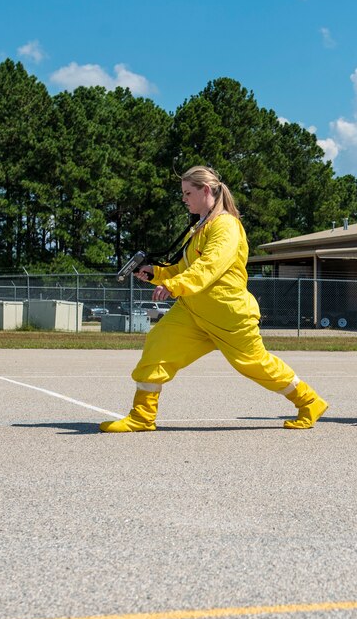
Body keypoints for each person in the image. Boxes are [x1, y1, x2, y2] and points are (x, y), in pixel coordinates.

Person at [99, 166, 328, 432]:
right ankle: (142, 416)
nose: (184, 198)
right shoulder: (197, 228)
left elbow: (210, 265)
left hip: (229, 316)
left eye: (188, 192)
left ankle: (310, 401)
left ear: (205, 190)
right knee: (157, 347)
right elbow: (184, 268)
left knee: (256, 365)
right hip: (193, 312)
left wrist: (175, 284)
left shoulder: (226, 226)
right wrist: (156, 274)